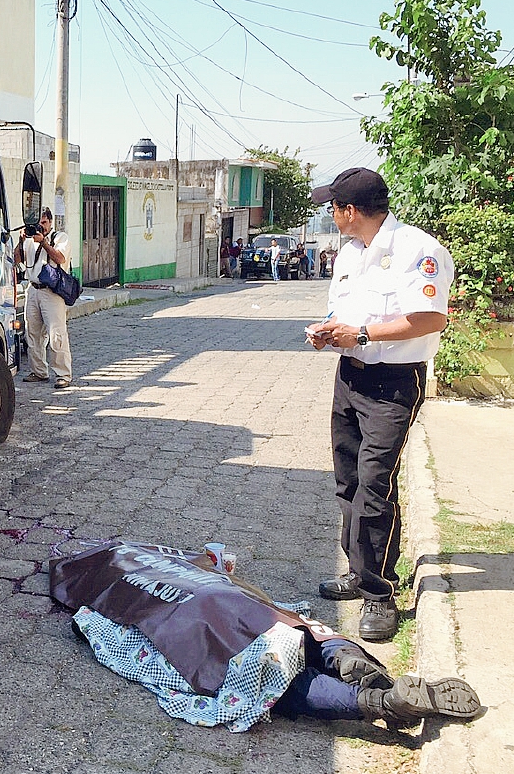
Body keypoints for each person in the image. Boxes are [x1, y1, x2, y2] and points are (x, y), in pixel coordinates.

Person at [53, 541, 481, 733]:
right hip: (244, 607)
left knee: (269, 680)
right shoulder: (161, 558)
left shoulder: (110, 580)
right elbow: (211, 564)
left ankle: (379, 703)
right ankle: (357, 665)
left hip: (206, 625)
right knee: (301, 633)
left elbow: (102, 626)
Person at [305, 168, 455, 641]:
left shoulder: (418, 251)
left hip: (393, 381)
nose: (331, 214)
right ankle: (356, 568)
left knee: (375, 484)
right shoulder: (351, 254)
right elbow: (342, 312)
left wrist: (364, 334)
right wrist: (329, 331)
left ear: (349, 211)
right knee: (348, 479)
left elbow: (431, 319)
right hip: (350, 375)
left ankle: (378, 592)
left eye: (333, 207)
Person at [16, 207, 72, 389]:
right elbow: (17, 260)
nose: (41, 227)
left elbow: (60, 258)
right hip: (32, 289)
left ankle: (63, 374)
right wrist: (21, 241)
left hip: (52, 292)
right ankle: (39, 371)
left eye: (44, 223)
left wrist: (45, 243)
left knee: (56, 334)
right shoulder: (30, 240)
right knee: (32, 334)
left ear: (50, 222)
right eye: (38, 224)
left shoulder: (60, 238)